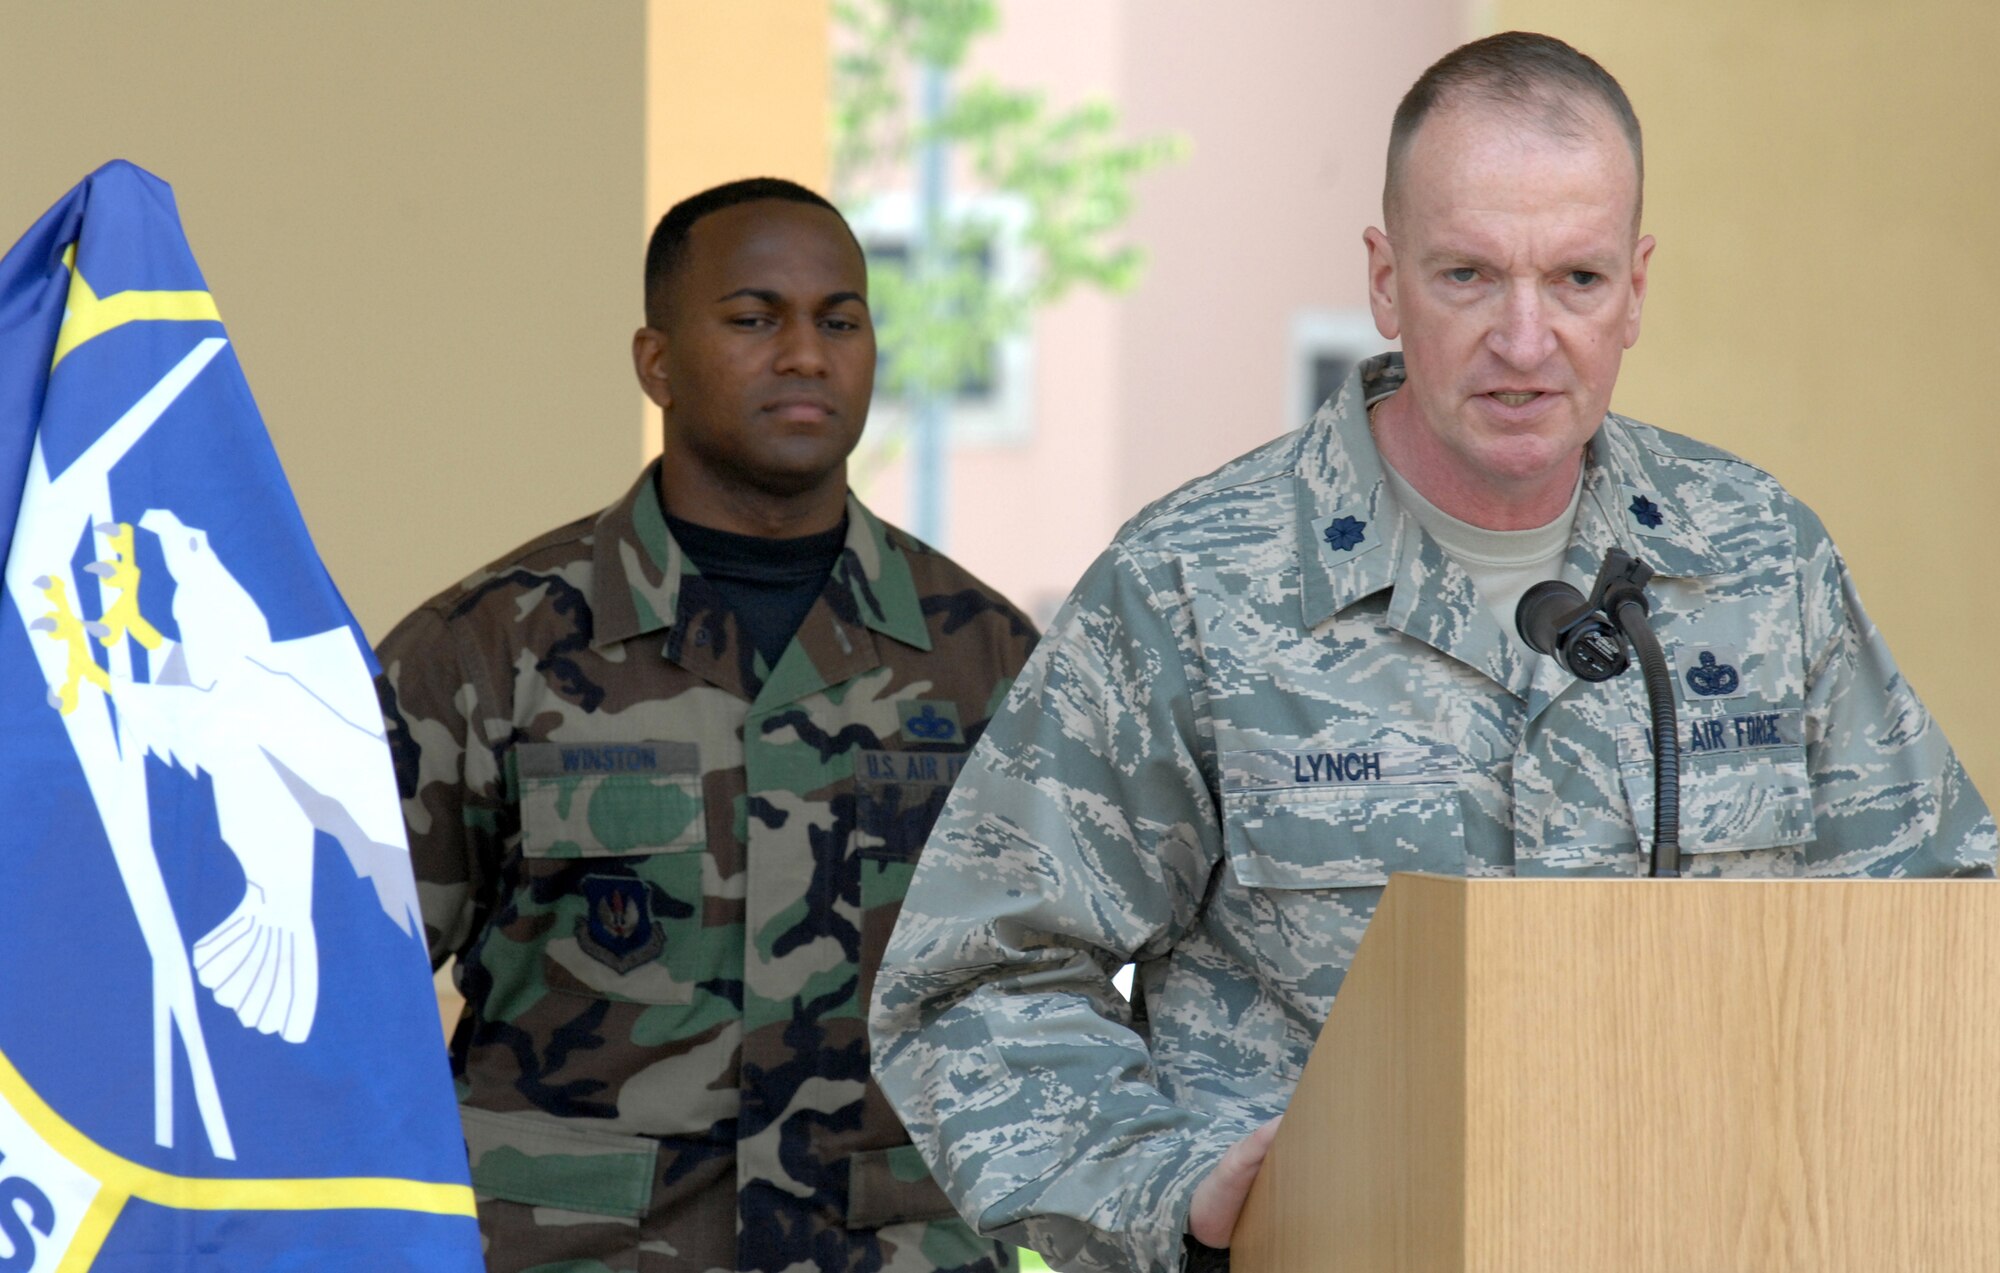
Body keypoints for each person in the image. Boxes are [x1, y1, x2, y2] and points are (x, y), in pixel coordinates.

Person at [868, 32, 1996, 1273]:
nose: (1524, 338)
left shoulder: (1757, 562)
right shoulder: (1198, 580)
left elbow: (1940, 937)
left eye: (1572, 279)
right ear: (1383, 279)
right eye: (1467, 275)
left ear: (1635, 286)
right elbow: (975, 978)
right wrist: (1166, 1189)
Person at [377, 177, 1036, 1273]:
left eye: (838, 319)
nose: (804, 354)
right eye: (751, 317)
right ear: (657, 362)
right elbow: (337, 985)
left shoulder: (983, 660)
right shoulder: (490, 649)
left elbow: (1054, 992)